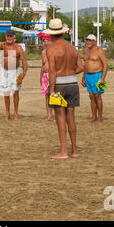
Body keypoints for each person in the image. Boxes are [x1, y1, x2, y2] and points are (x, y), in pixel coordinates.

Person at [45, 18, 83, 159]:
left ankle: (63, 151)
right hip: (73, 84)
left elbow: (52, 72)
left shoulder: (51, 49)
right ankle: (74, 151)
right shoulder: (72, 48)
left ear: (50, 34)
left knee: (60, 118)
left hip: (59, 85)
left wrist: (52, 90)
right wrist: (70, 73)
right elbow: (80, 67)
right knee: (71, 118)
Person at [0, 30, 28, 120]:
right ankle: (7, 113)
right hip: (4, 71)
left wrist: (23, 74)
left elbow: (24, 61)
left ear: (14, 38)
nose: (9, 37)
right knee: (6, 92)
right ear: (5, 37)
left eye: (10, 36)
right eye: (7, 36)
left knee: (15, 92)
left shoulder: (18, 47)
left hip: (15, 71)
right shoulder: (3, 45)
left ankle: (16, 113)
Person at [82, 34, 108, 123]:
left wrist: (103, 78)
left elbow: (105, 65)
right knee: (91, 96)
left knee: (97, 96)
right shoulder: (85, 51)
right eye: (87, 40)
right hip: (88, 76)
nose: (88, 42)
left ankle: (100, 117)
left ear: (94, 41)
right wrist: (83, 78)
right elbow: (85, 65)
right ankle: (94, 117)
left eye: (90, 40)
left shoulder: (98, 50)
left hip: (97, 75)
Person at [39, 33, 53, 121]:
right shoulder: (43, 52)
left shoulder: (55, 51)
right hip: (45, 75)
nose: (46, 42)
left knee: (54, 94)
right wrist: (40, 77)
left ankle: (58, 113)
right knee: (46, 95)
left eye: (48, 40)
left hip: (53, 75)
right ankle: (49, 114)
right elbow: (42, 65)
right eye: (44, 41)